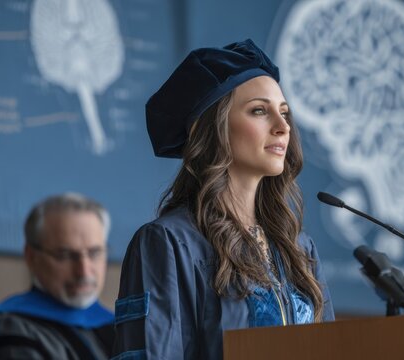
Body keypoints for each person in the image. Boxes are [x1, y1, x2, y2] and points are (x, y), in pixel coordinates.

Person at [112, 39, 335, 359]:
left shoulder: (299, 249)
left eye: (284, 113)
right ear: (213, 127)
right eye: (260, 110)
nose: (283, 127)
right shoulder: (170, 243)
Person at [0, 193, 114, 359]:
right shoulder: (13, 329)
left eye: (94, 253)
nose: (84, 271)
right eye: (65, 255)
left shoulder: (119, 328)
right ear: (31, 257)